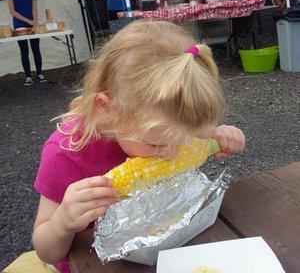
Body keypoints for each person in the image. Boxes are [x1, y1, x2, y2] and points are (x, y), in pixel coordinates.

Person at [32, 20, 246, 273]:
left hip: (164, 246)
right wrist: (63, 222)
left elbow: (203, 134)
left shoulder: (166, 126)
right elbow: (46, 251)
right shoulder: (66, 153)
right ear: (107, 109)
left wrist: (224, 136)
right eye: (156, 144)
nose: (172, 153)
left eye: (184, 139)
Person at [6, 0, 47, 85]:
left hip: (32, 23)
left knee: (36, 49)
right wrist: (28, 21)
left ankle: (39, 73)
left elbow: (34, 8)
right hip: (19, 24)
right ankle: (28, 76)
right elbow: (12, 11)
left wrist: (35, 21)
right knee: (24, 50)